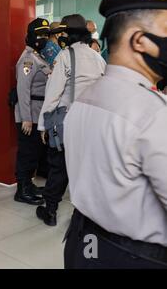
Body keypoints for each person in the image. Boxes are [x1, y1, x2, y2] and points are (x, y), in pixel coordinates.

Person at [64, 0, 167, 269]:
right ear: (140, 41)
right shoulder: (153, 113)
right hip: (138, 258)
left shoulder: (85, 97)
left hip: (83, 244)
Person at [36, 14, 106, 226]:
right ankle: (87, 214)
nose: (61, 36)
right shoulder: (98, 58)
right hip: (93, 122)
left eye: (63, 33)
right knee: (87, 168)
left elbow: (53, 93)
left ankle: (51, 211)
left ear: (69, 34)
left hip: (68, 122)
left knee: (59, 166)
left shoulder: (66, 56)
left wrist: (43, 124)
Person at [13, 18, 51, 206]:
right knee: (27, 153)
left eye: (46, 34)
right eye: (40, 35)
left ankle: (29, 184)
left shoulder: (38, 56)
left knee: (34, 152)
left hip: (38, 113)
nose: (44, 38)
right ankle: (22, 190)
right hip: (30, 115)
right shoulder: (28, 59)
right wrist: (27, 118)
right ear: (32, 36)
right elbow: (23, 90)